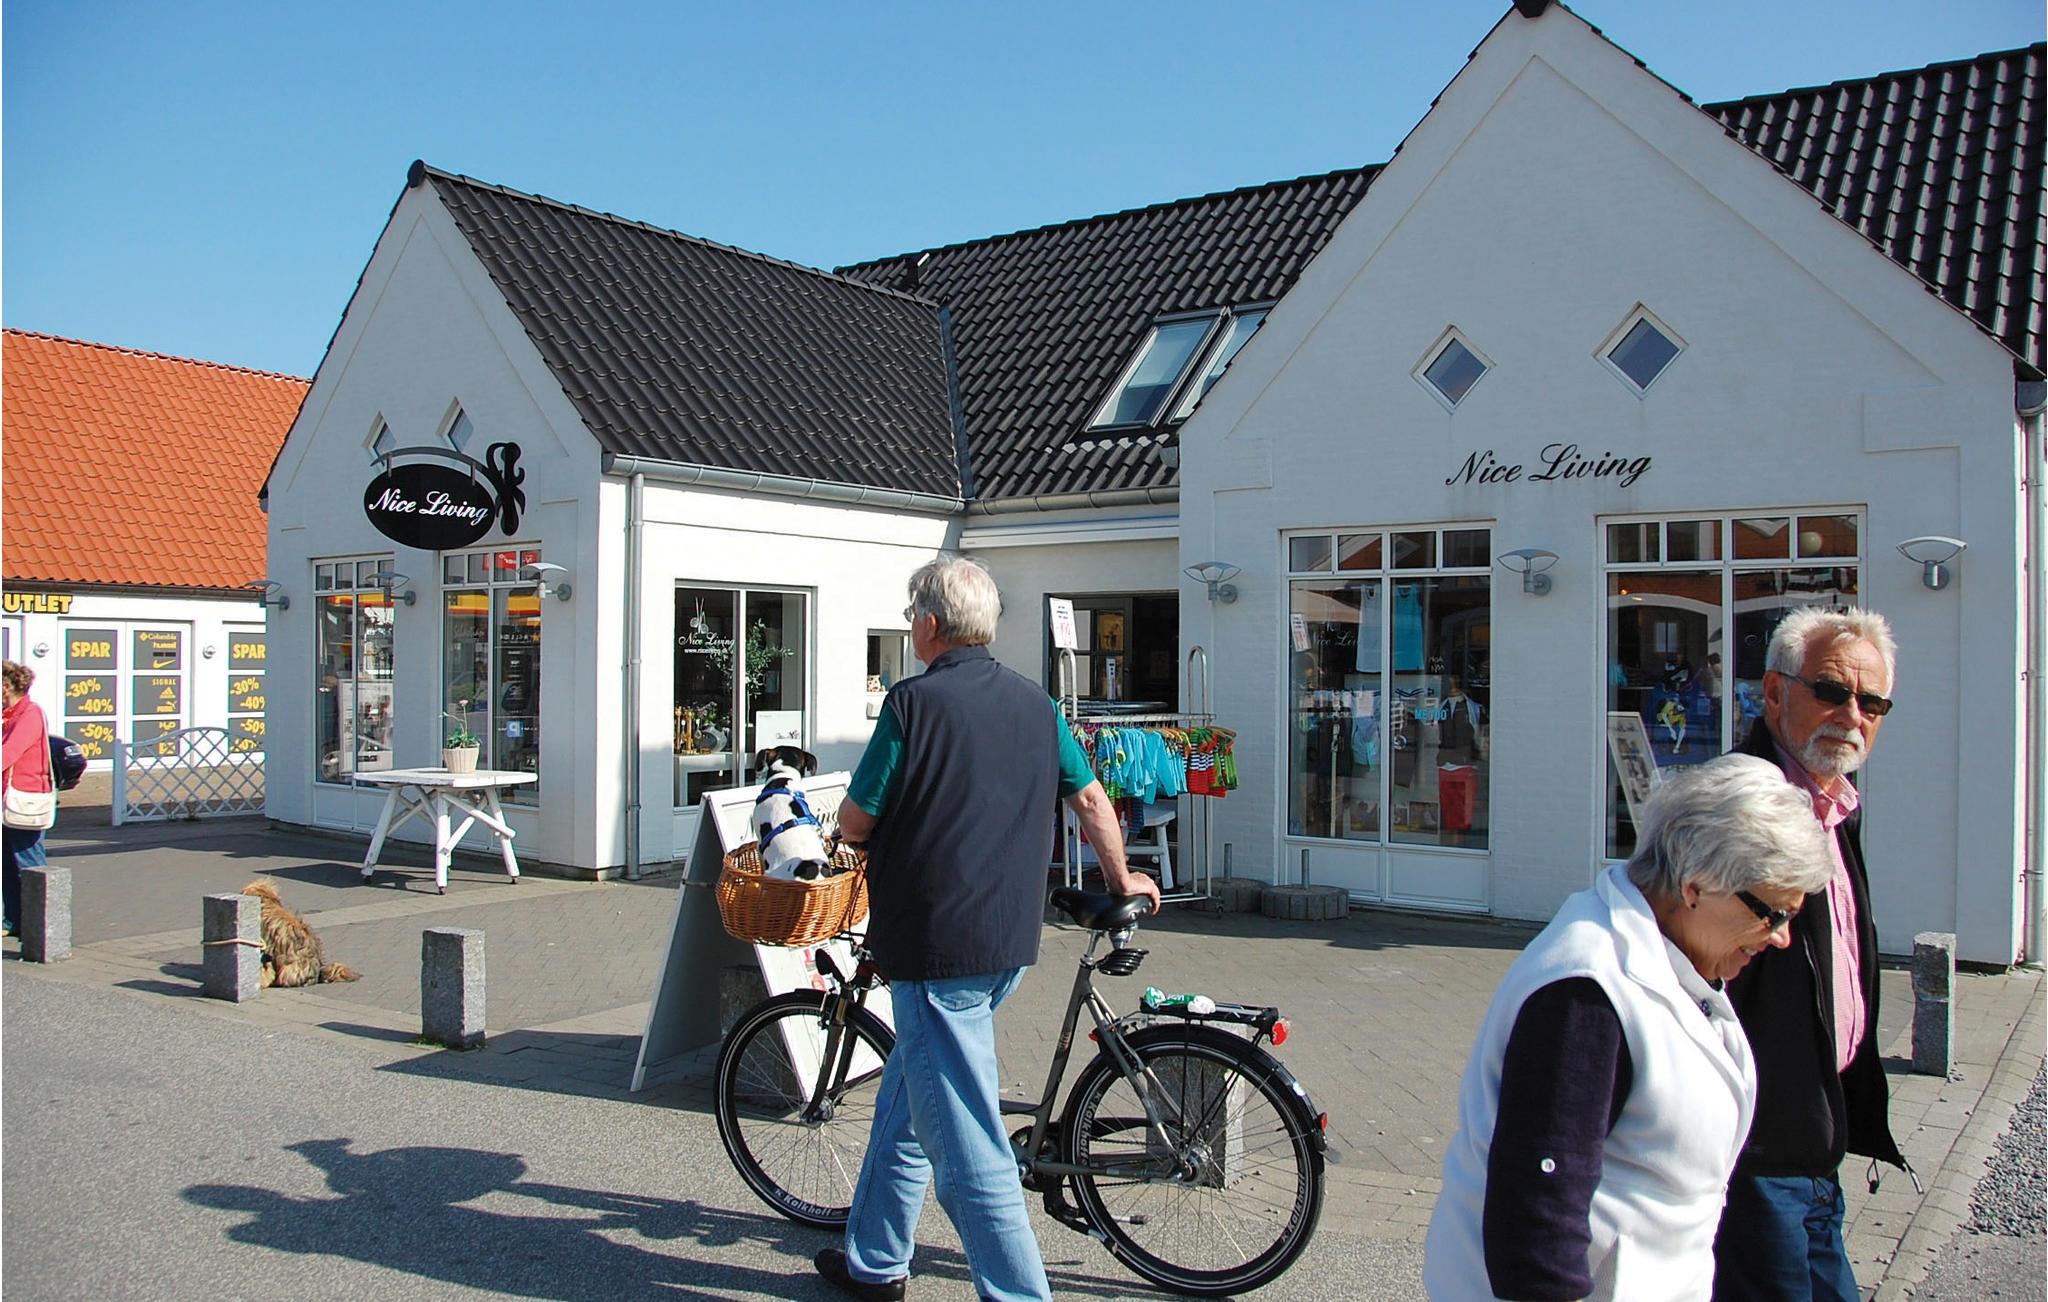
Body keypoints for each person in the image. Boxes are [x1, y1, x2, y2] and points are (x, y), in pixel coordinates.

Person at [817, 555, 1161, 1302]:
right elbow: (1092, 801)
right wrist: (1122, 879)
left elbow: (858, 818)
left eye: (911, 616)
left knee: (966, 1143)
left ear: (930, 624)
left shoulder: (911, 704)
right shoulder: (1037, 704)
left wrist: (841, 830)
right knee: (910, 1097)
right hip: (1007, 941)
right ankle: (875, 1260)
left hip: (934, 944)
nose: (911, 627)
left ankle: (1018, 1293)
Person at [1424, 754, 1832, 1300]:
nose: (1780, 937)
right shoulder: (1588, 994)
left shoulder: (1667, 956)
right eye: (1773, 913)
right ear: (1696, 886)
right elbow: (1537, 1237)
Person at [1713, 607, 1909, 1301]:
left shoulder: (1833, 804)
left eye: (1872, 702)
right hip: (1758, 1150)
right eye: (1831, 691)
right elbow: (1691, 979)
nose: (1853, 715)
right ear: (1774, 692)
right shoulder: (1739, 810)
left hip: (1818, 1139)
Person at [3, 660, 55, 937]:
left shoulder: (30, 714)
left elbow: (9, 753)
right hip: (6, 801)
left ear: (6, 686)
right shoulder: (9, 715)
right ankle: (14, 921)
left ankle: (41, 927)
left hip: (25, 800)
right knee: (7, 864)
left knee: (29, 863)